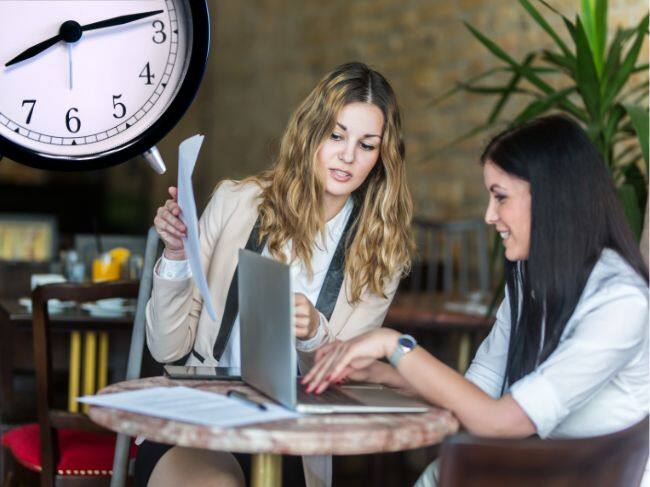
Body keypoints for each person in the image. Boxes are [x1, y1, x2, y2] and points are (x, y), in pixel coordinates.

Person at [303, 114, 650, 486]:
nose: (489, 215)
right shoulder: (532, 279)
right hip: (548, 469)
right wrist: (380, 374)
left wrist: (394, 345)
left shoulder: (620, 302)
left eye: (500, 197)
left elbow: (501, 421)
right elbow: (477, 394)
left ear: (552, 200)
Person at [135, 62, 414, 486]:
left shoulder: (381, 254)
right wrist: (176, 255)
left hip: (293, 437)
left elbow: (345, 382)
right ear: (310, 132)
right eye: (336, 135)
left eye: (367, 145)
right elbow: (166, 346)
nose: (348, 156)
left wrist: (315, 332)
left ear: (381, 156)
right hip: (200, 417)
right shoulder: (235, 203)